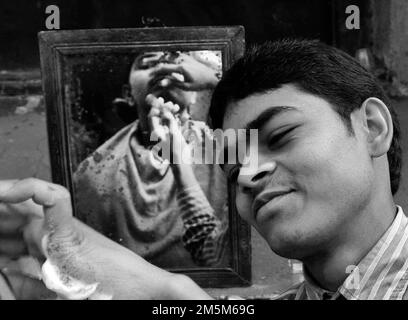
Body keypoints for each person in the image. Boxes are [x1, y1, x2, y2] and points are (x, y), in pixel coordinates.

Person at [0, 38, 406, 300]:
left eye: (281, 136)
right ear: (128, 97)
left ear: (371, 128)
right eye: (231, 168)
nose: (248, 174)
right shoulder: (97, 169)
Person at [72, 51, 229, 268]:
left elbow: (218, 255)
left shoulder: (226, 148)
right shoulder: (93, 171)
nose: (163, 69)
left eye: (174, 62)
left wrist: (216, 77)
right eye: (148, 64)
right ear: (128, 94)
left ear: (195, 93)